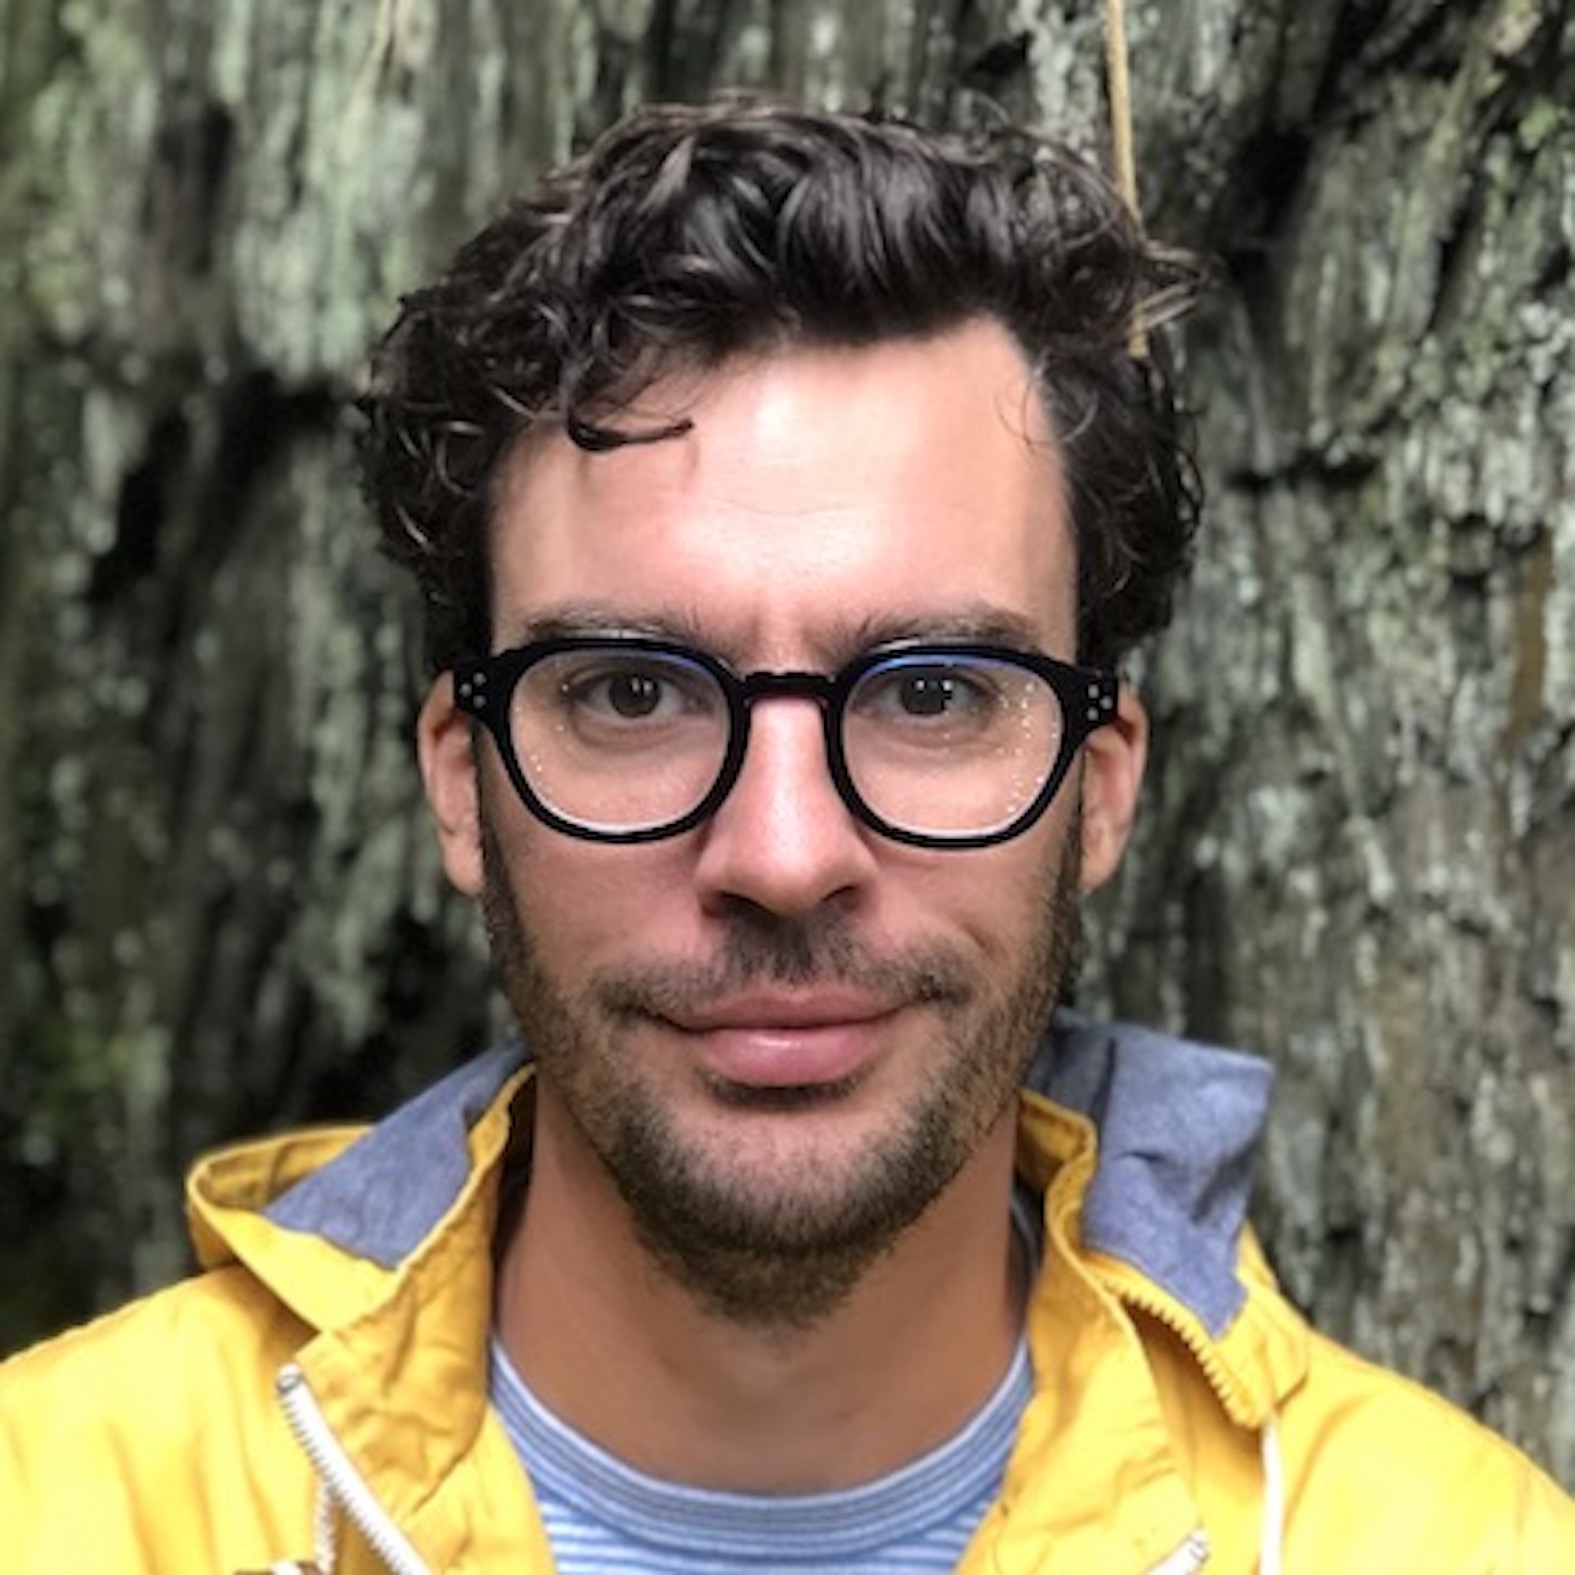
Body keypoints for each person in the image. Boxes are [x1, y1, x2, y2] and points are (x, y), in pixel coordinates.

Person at [1, 98, 1570, 1574]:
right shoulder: (59, 1508)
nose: (783, 852)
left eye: (934, 692)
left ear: (1099, 790)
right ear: (463, 784)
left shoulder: (1449, 1546)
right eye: (632, 692)